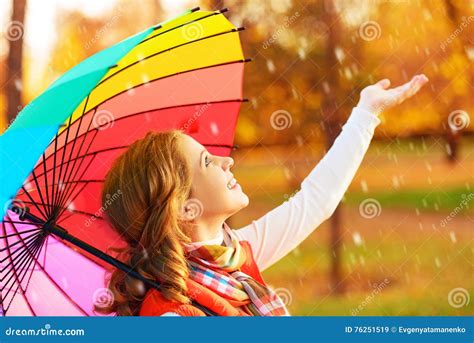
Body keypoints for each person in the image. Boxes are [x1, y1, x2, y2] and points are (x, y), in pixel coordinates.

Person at [96, 74, 429, 316]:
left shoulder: (234, 258)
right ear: (184, 207)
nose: (227, 161)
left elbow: (315, 200)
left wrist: (366, 112)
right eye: (207, 161)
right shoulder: (169, 314)